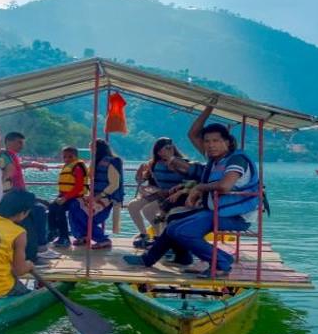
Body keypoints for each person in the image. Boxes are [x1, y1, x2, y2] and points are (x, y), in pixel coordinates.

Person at [124, 103, 260, 278]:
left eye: (216, 141)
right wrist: (209, 107)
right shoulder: (215, 160)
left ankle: (222, 262)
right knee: (173, 224)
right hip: (216, 210)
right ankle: (149, 259)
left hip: (235, 216)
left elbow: (225, 186)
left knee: (184, 231)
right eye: (207, 141)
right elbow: (193, 134)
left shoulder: (236, 160)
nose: (211, 145)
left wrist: (199, 188)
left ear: (227, 142)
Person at [126, 138, 192, 248]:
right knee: (133, 205)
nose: (164, 152)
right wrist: (140, 174)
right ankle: (144, 234)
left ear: (173, 149)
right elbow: (141, 180)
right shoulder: (153, 164)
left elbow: (190, 180)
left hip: (175, 195)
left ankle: (158, 237)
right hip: (158, 194)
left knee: (148, 210)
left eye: (168, 148)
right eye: (161, 150)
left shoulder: (182, 162)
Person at [0, 131, 50, 259]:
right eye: (19, 142)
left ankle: (42, 243)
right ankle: (40, 245)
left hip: (20, 194)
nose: (22, 146)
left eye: (22, 143)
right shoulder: (3, 156)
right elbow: (4, 172)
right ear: (9, 142)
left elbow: (17, 166)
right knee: (39, 210)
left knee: (46, 206)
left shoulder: (12, 156)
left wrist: (33, 164)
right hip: (13, 196)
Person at [68, 139, 124, 249]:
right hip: (93, 195)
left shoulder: (111, 161)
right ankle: (82, 235)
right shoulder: (95, 162)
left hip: (106, 197)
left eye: (92, 148)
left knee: (85, 216)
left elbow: (115, 184)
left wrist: (100, 195)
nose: (91, 151)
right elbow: (88, 175)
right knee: (73, 206)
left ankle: (103, 239)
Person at [48, 146, 89, 248]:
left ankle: (64, 237)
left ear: (76, 156)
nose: (67, 159)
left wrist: (65, 198)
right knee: (51, 208)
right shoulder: (67, 166)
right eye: (65, 157)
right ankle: (53, 231)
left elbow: (79, 187)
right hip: (64, 195)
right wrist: (62, 197)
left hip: (75, 196)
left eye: (70, 157)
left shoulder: (78, 168)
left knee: (60, 211)